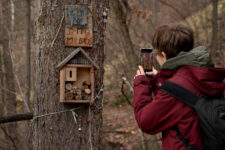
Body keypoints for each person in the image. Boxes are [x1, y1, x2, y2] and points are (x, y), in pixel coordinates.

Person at [133, 23, 225, 150]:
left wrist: (141, 83)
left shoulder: (174, 89)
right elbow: (185, 98)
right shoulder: (202, 73)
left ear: (164, 55)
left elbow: (145, 122)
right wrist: (158, 80)